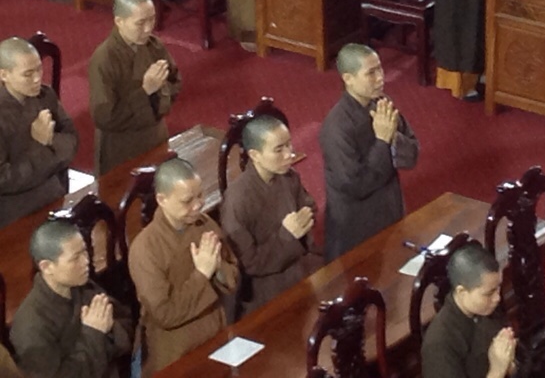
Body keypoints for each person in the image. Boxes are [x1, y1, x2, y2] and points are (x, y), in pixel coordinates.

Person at [128, 157, 240, 376]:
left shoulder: (204, 224)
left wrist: (217, 267)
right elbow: (165, 314)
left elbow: (233, 277)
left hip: (214, 333)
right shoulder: (145, 248)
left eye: (200, 195)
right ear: (162, 199)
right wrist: (202, 274)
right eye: (187, 201)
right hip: (174, 349)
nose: (197, 205)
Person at [319, 44, 419, 260]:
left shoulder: (383, 103)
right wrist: (382, 141)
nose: (380, 78)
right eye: (371, 73)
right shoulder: (336, 127)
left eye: (380, 69)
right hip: (356, 226)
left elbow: (412, 155)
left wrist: (393, 138)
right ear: (348, 78)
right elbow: (356, 186)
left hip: (390, 210)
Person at [220, 114, 322, 314]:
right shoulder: (237, 200)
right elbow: (248, 262)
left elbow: (309, 207)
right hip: (264, 292)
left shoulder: (288, 177)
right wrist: (287, 235)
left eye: (289, 145)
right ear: (255, 155)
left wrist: (304, 220)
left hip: (298, 271)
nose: (289, 154)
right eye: (279, 149)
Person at [10, 218, 134, 378]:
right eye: (75, 258)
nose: (86, 261)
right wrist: (94, 334)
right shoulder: (31, 326)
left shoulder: (80, 285)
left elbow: (126, 322)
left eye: (84, 251)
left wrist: (108, 330)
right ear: (47, 267)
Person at [88, 0, 182, 176]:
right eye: (140, 23)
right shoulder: (104, 59)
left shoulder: (154, 46)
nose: (148, 29)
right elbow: (104, 117)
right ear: (119, 21)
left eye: (152, 19)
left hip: (155, 136)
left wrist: (161, 91)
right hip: (121, 149)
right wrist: (145, 91)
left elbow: (175, 81)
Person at [0, 36, 78, 227]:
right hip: (14, 210)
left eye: (39, 69)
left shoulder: (45, 95)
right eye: (27, 74)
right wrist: (41, 145)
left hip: (53, 192)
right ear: (4, 75)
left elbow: (72, 140)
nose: (37, 79)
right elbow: (3, 179)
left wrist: (50, 141)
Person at [420, 242, 517, 378]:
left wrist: (510, 363)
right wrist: (497, 370)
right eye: (489, 293)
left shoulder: (486, 308)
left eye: (498, 288)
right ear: (462, 292)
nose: (497, 298)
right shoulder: (439, 344)